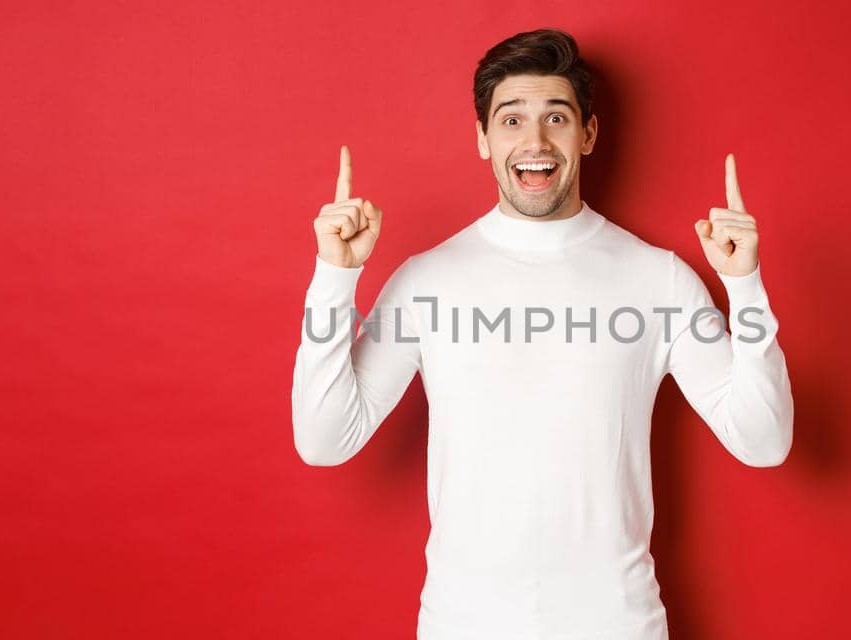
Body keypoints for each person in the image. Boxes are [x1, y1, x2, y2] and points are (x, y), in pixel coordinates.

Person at [291, 27, 794, 640]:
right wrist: (333, 280)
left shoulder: (657, 279)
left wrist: (745, 287)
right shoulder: (426, 281)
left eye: (556, 117)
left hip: (620, 625)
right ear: (482, 138)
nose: (534, 140)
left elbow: (764, 442)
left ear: (587, 134)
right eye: (510, 120)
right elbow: (324, 440)